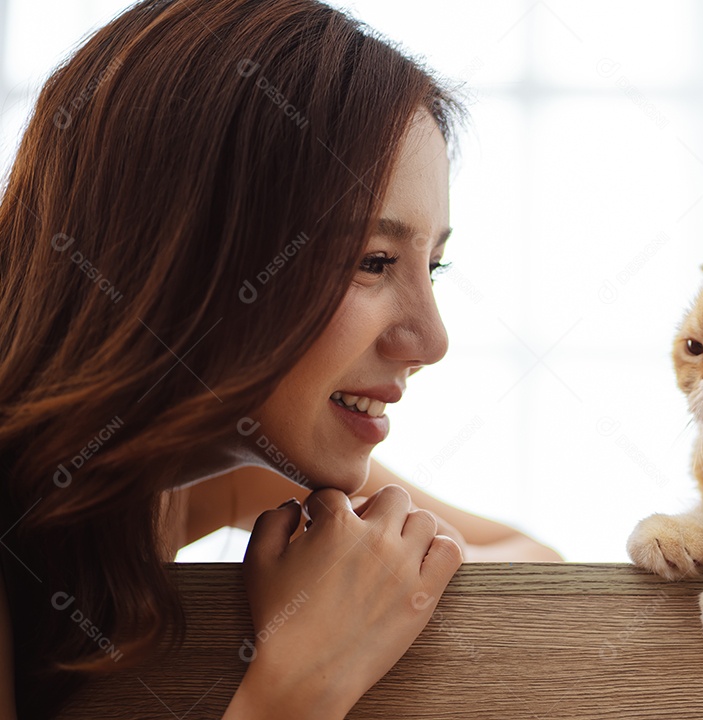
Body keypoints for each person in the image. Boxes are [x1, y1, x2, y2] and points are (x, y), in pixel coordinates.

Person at [0, 1, 558, 717]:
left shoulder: (185, 478)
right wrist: (302, 683)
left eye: (434, 268)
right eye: (372, 260)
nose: (431, 341)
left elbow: (527, 558)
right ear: (187, 250)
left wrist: (383, 571)